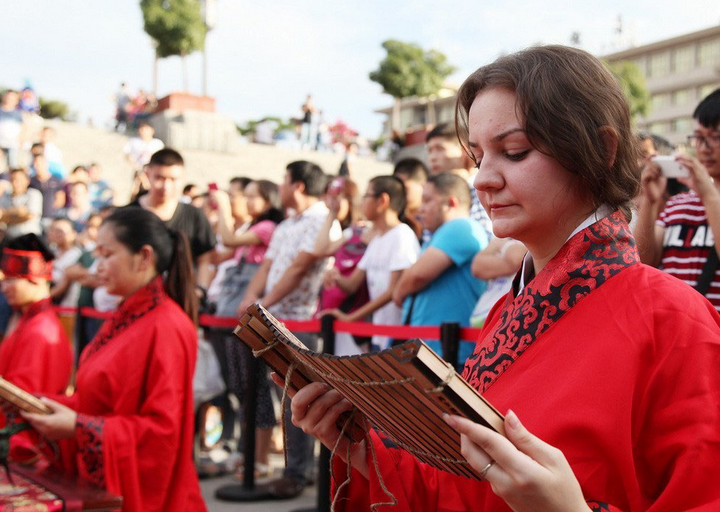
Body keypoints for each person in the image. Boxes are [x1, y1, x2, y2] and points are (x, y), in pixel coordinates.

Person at [286, 45, 720, 511]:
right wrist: (359, 448)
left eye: (514, 152)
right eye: (477, 157)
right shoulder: (510, 310)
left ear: (601, 148)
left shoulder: (675, 320)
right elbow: (463, 486)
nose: (482, 179)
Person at [21, 207, 207, 512]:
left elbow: (164, 433)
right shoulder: (125, 315)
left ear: (144, 257)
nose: (98, 265)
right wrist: (35, 404)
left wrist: (79, 428)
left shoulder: (167, 325)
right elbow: (98, 402)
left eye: (107, 255)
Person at [235, 160, 341, 499]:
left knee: (299, 400)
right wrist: (252, 301)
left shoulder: (322, 220)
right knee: (279, 399)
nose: (279, 186)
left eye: (283, 180)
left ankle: (297, 474)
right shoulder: (285, 226)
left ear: (296, 185)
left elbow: (299, 268)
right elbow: (267, 265)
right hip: (271, 320)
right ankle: (290, 470)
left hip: (299, 323)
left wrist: (263, 305)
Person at [392, 172, 489, 368]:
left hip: (447, 353)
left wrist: (399, 291)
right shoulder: (445, 232)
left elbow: (416, 276)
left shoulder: (461, 226)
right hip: (433, 349)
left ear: (450, 203)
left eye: (427, 200)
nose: (420, 209)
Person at [635, 88, 720, 311]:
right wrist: (649, 202)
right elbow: (642, 261)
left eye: (715, 138)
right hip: (671, 332)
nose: (704, 148)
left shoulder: (705, 199)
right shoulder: (679, 204)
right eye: (699, 137)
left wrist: (710, 196)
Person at [320, 176, 420, 350]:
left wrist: (350, 318)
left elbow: (393, 291)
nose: (362, 202)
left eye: (366, 195)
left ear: (382, 201)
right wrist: (335, 276)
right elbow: (351, 284)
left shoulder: (401, 235)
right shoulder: (377, 239)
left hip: (399, 336)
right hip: (380, 333)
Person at [0, 233, 72, 460]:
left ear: (37, 279)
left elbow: (23, 399)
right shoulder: (26, 319)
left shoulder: (41, 331)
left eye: (12, 280)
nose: (4, 287)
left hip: (24, 444)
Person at [131, 148, 215, 291]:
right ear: (147, 175)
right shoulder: (128, 215)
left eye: (173, 179)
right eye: (159, 178)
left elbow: (205, 260)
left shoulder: (195, 215)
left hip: (181, 299)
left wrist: (200, 291)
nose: (166, 186)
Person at [426, 122, 493, 240]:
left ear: (464, 151)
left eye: (440, 149)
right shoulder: (433, 191)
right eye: (430, 151)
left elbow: (485, 236)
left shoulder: (478, 187)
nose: (432, 157)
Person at [468, 237, 526, 327]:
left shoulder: (500, 242)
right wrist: (509, 260)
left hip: (507, 319)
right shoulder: (501, 239)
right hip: (483, 318)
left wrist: (500, 245)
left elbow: (518, 259)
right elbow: (477, 267)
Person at [0, 168, 43, 238]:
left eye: (18, 180)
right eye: (12, 179)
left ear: (27, 181)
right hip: (11, 239)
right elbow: (1, 217)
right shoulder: (5, 196)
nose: (15, 183)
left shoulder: (33, 194)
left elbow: (30, 216)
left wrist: (7, 216)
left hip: (30, 238)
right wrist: (18, 212)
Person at [393, 158, 429, 239]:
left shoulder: (432, 219)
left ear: (423, 185)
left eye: (405, 188)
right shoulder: (392, 217)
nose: (400, 193)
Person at [29, 150, 65, 225]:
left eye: (39, 163)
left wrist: (53, 210)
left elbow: (60, 198)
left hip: (50, 217)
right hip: (36, 218)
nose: (37, 166)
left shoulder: (56, 180)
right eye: (35, 163)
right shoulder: (31, 182)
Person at [0, 90, 23, 170]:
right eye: (8, 97)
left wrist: (21, 140)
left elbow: (24, 127)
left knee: (12, 166)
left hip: (12, 144)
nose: (10, 99)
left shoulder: (18, 114)